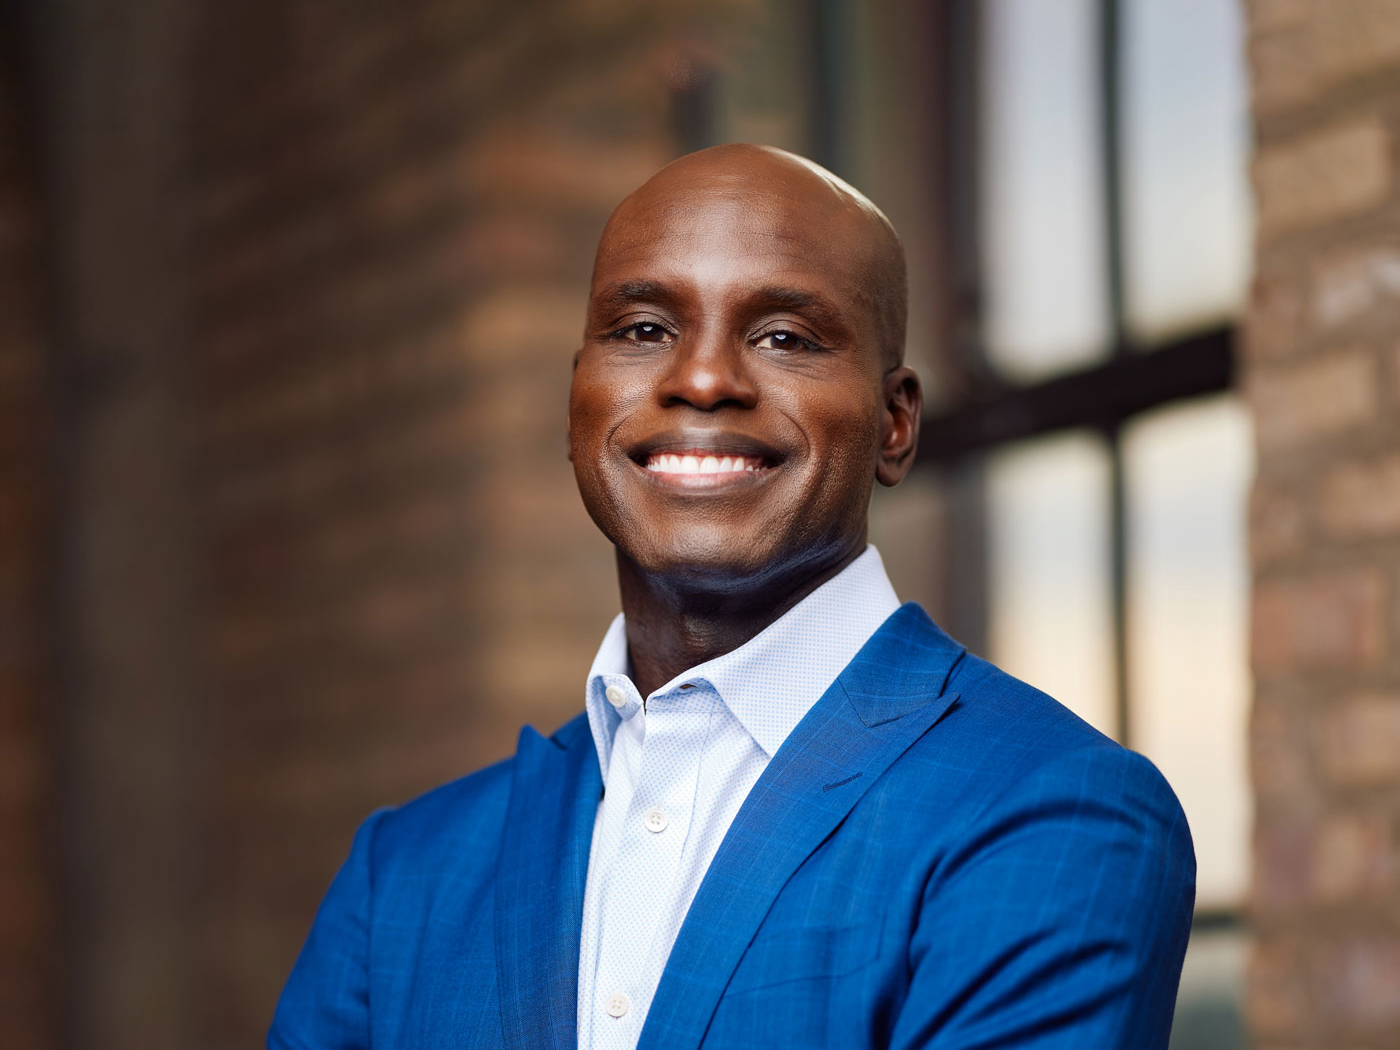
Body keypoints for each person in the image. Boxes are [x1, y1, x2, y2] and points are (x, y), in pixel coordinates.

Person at [269, 144, 1195, 1050]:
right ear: (575, 404)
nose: (703, 379)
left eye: (785, 337)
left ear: (896, 424)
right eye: (642, 330)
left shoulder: (1053, 815)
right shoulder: (401, 878)